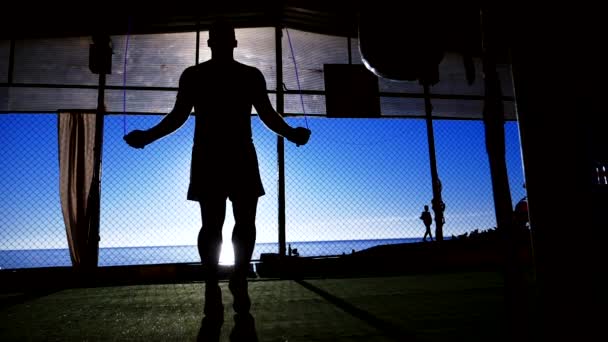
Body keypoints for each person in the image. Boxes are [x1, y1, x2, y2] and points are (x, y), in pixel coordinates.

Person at [124, 20, 311, 339]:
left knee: (212, 224)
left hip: (210, 154)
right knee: (242, 221)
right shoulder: (247, 75)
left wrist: (148, 136)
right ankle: (235, 276)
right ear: (233, 43)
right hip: (238, 153)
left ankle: (215, 284)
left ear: (210, 43)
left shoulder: (195, 75)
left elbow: (178, 117)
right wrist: (292, 133)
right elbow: (267, 116)